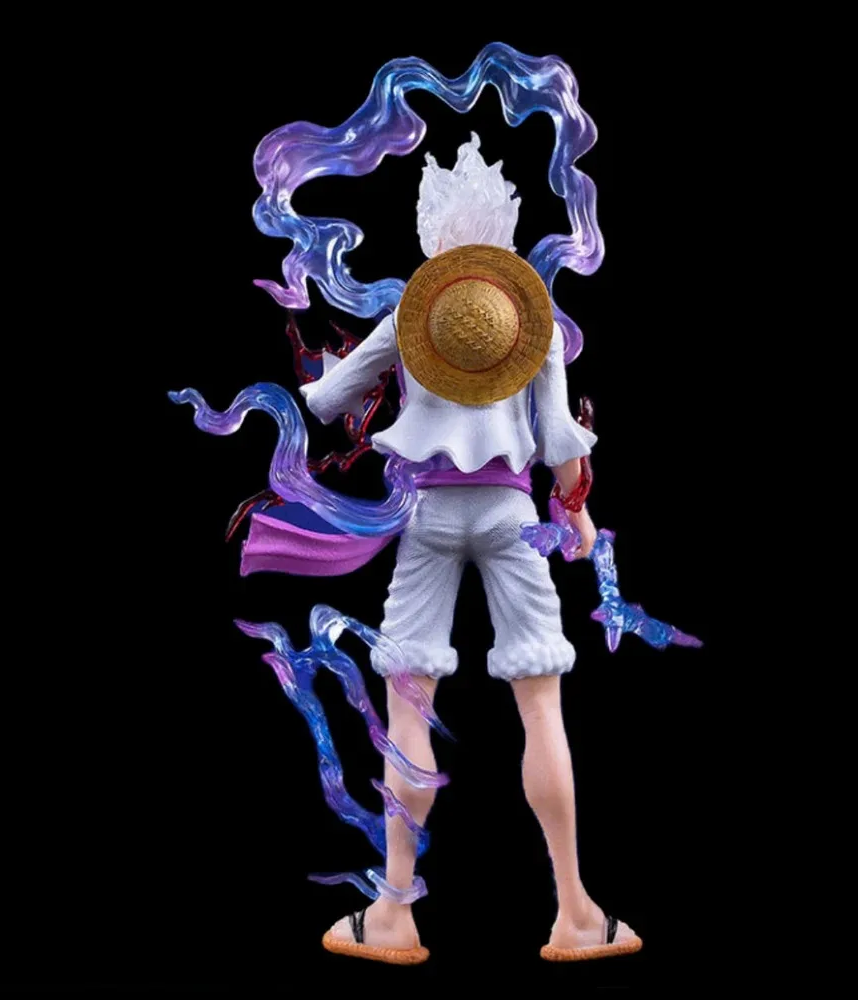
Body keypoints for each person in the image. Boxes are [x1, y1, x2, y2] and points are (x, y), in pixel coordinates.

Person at [295, 133, 642, 964]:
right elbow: (562, 444)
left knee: (409, 703)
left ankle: (393, 914)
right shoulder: (534, 323)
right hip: (514, 514)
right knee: (542, 706)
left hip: (427, 517)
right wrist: (580, 521)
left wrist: (336, 370)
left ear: (433, 235)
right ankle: (575, 912)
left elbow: (327, 398)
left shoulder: (411, 318)